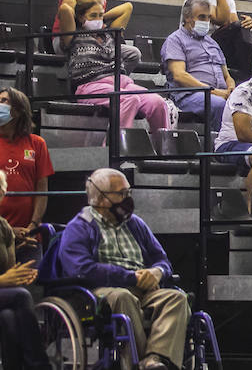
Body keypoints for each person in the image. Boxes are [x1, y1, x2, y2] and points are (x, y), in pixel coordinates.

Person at [41, 168, 190, 370]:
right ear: (101, 198)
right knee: (122, 297)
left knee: (176, 298)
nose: (127, 198)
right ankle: (135, 363)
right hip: (100, 291)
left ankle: (154, 359)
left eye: (129, 192)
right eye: (122, 194)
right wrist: (130, 278)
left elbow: (161, 259)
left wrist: (157, 272)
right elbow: (82, 269)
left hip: (143, 287)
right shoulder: (79, 227)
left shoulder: (135, 224)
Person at [65, 0, 171, 135]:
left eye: (100, 15)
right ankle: (115, 148)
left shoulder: (110, 34)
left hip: (122, 83)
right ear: (80, 17)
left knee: (158, 103)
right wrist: (80, 16)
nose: (98, 19)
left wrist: (100, 17)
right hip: (91, 86)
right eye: (93, 16)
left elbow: (127, 7)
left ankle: (163, 148)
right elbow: (65, 9)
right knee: (129, 100)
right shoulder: (74, 35)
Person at [160, 0, 232, 129]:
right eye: (202, 17)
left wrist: (231, 89)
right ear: (187, 17)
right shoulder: (175, 40)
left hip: (219, 93)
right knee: (218, 104)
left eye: (209, 17)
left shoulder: (212, 43)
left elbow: (227, 75)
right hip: (188, 96)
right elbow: (179, 76)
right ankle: (219, 146)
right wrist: (214, 92)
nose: (207, 21)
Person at [0, 169, 45, 370]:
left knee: (8, 318)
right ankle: (39, 365)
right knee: (21, 296)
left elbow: (9, 272)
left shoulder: (4, 227)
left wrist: (20, 276)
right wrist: (4, 281)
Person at [0, 89, 51, 262]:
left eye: (4, 101)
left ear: (18, 109)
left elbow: (42, 190)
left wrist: (33, 226)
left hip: (29, 237)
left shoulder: (37, 144)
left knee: (27, 289)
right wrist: (8, 230)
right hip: (1, 235)